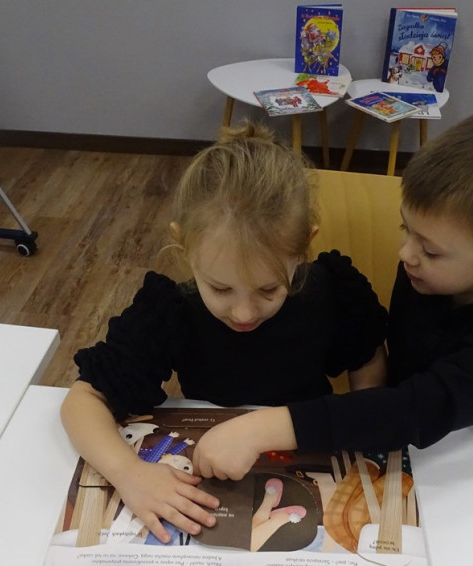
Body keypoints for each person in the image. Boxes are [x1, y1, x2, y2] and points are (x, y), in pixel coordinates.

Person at [193, 108, 473, 480]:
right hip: (419, 455)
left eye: (430, 250)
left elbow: (419, 407)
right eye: (406, 230)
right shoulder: (427, 273)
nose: (407, 255)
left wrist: (264, 428)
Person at [60, 122, 388, 544]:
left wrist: (361, 421)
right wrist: (130, 473)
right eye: (220, 288)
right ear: (183, 245)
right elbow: (82, 401)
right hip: (211, 469)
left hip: (305, 446)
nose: (244, 312)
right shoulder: (172, 310)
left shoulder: (332, 292)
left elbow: (367, 357)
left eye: (268, 289)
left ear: (304, 247)